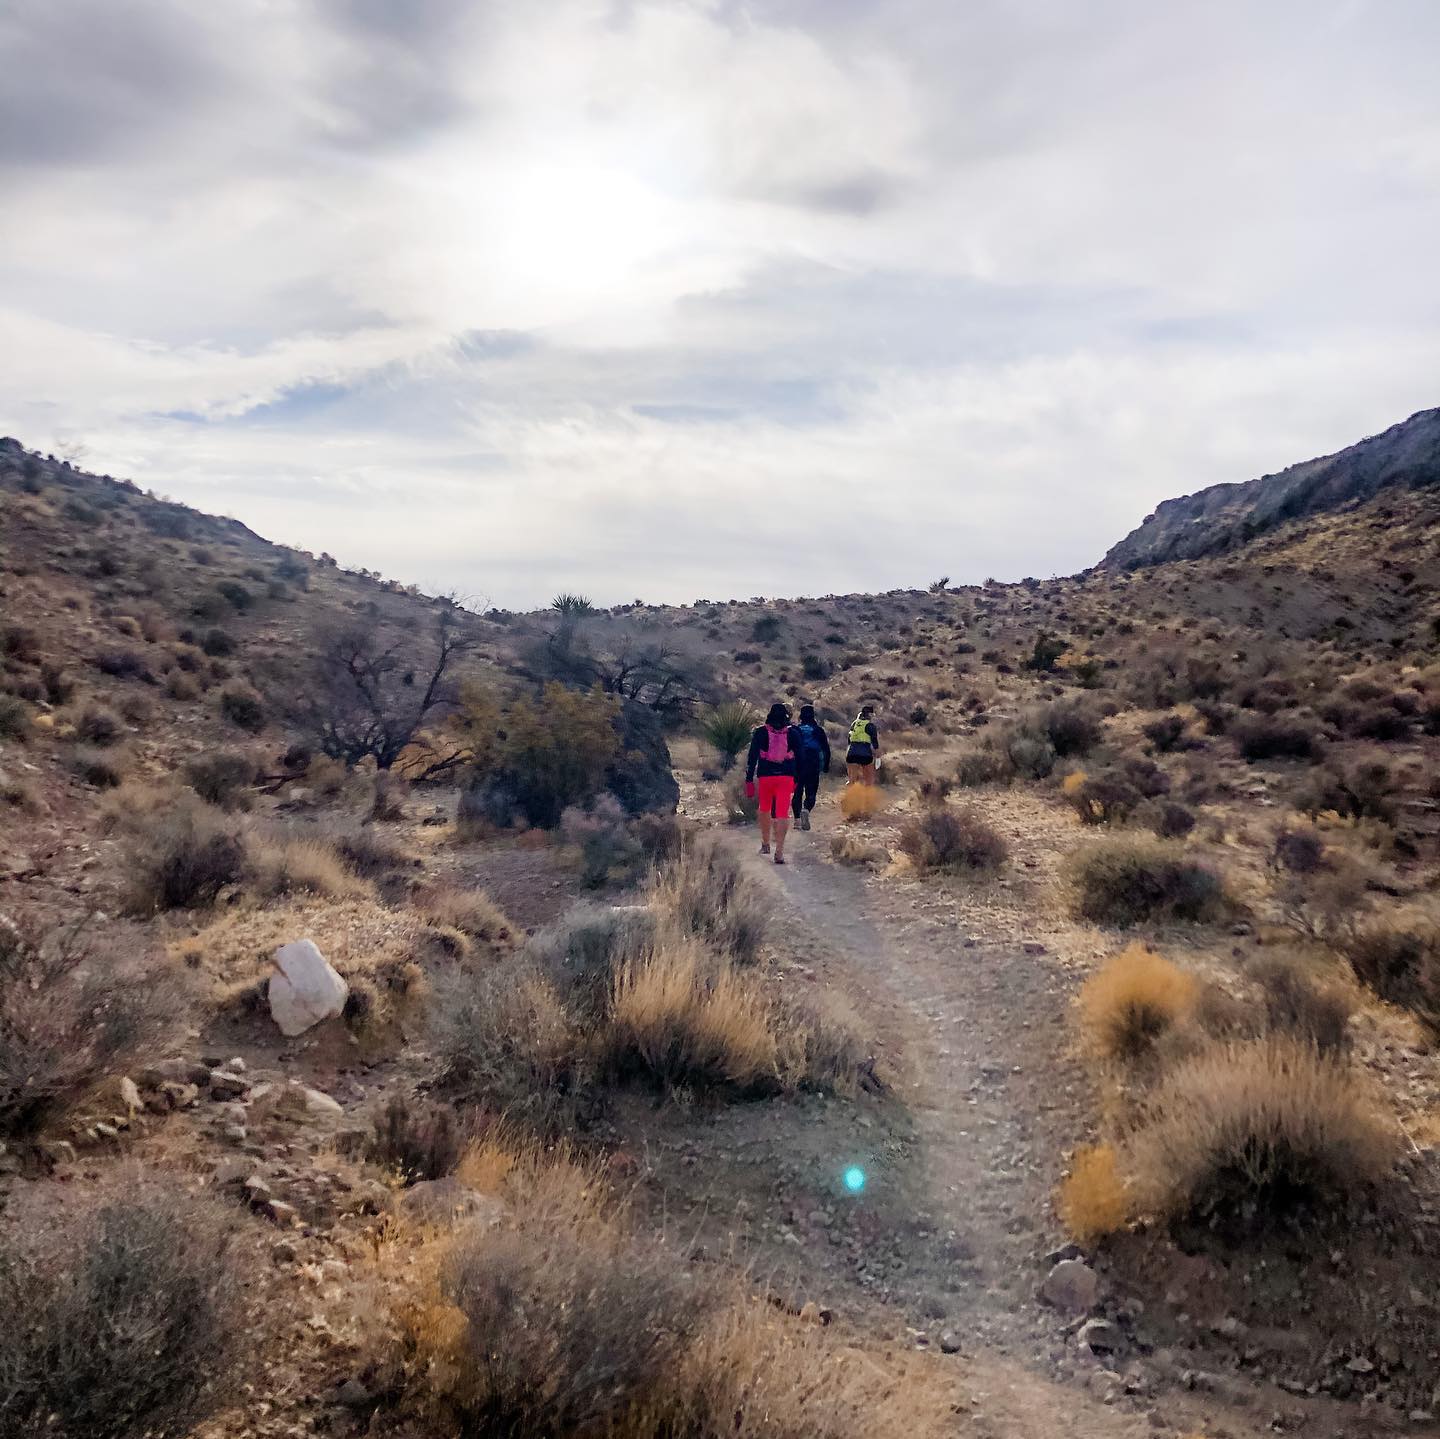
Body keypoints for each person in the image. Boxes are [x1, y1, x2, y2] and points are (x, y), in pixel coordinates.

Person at [744, 701, 799, 864]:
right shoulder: (793, 733)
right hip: (786, 777)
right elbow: (800, 757)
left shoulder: (760, 732)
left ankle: (766, 843)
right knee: (782, 813)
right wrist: (796, 779)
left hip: (766, 776)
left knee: (765, 809)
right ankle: (779, 852)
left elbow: (752, 757)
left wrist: (749, 780)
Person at [790, 703, 831, 830]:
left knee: (797, 792)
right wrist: (826, 766)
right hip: (813, 763)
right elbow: (826, 750)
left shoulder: (795, 730)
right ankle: (806, 809)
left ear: (801, 716)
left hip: (797, 764)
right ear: (813, 716)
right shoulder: (818, 730)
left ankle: (797, 821)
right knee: (811, 792)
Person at [845, 704, 880, 784]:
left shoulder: (854, 724)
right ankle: (866, 795)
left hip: (851, 753)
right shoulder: (870, 726)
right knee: (869, 781)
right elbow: (875, 742)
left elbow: (849, 740)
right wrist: (878, 757)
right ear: (870, 715)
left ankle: (849, 792)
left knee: (851, 781)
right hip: (865, 754)